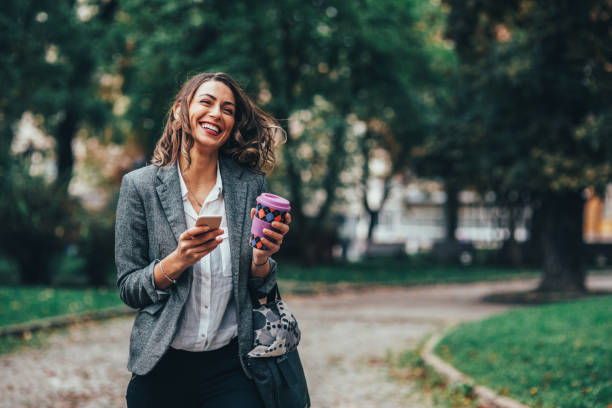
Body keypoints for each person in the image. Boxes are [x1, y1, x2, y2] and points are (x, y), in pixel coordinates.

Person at [114, 72, 290, 407]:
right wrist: (177, 260)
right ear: (181, 111)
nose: (216, 114)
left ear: (233, 124)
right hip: (163, 365)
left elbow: (261, 288)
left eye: (227, 109)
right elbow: (129, 288)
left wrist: (262, 259)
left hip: (232, 367)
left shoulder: (250, 186)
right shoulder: (140, 187)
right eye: (206, 102)